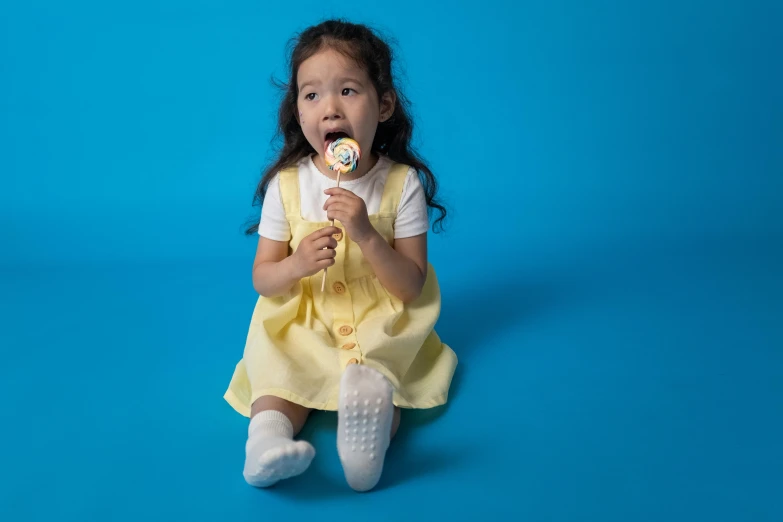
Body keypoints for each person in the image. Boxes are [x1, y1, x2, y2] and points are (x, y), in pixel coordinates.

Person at [224, 19, 457, 492]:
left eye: (348, 90)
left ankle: (366, 447)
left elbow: (410, 285)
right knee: (279, 374)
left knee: (376, 378)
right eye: (312, 96)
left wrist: (368, 235)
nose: (329, 107)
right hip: (304, 316)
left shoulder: (400, 185)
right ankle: (265, 444)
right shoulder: (287, 186)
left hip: (378, 316)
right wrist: (296, 265)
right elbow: (263, 279)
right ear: (298, 113)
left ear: (384, 104)